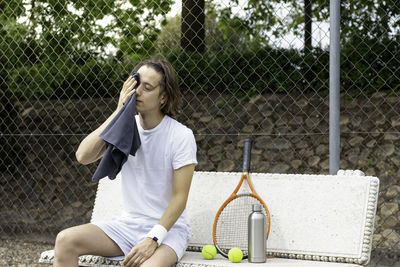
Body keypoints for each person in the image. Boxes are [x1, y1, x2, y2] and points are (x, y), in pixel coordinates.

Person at [53, 59, 197, 267]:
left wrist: (153, 239)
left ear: (163, 97)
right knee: (65, 241)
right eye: (136, 83)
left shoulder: (181, 136)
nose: (138, 91)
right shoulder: (124, 127)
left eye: (147, 88)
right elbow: (83, 156)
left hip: (168, 232)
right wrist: (120, 110)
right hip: (127, 226)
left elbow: (179, 199)